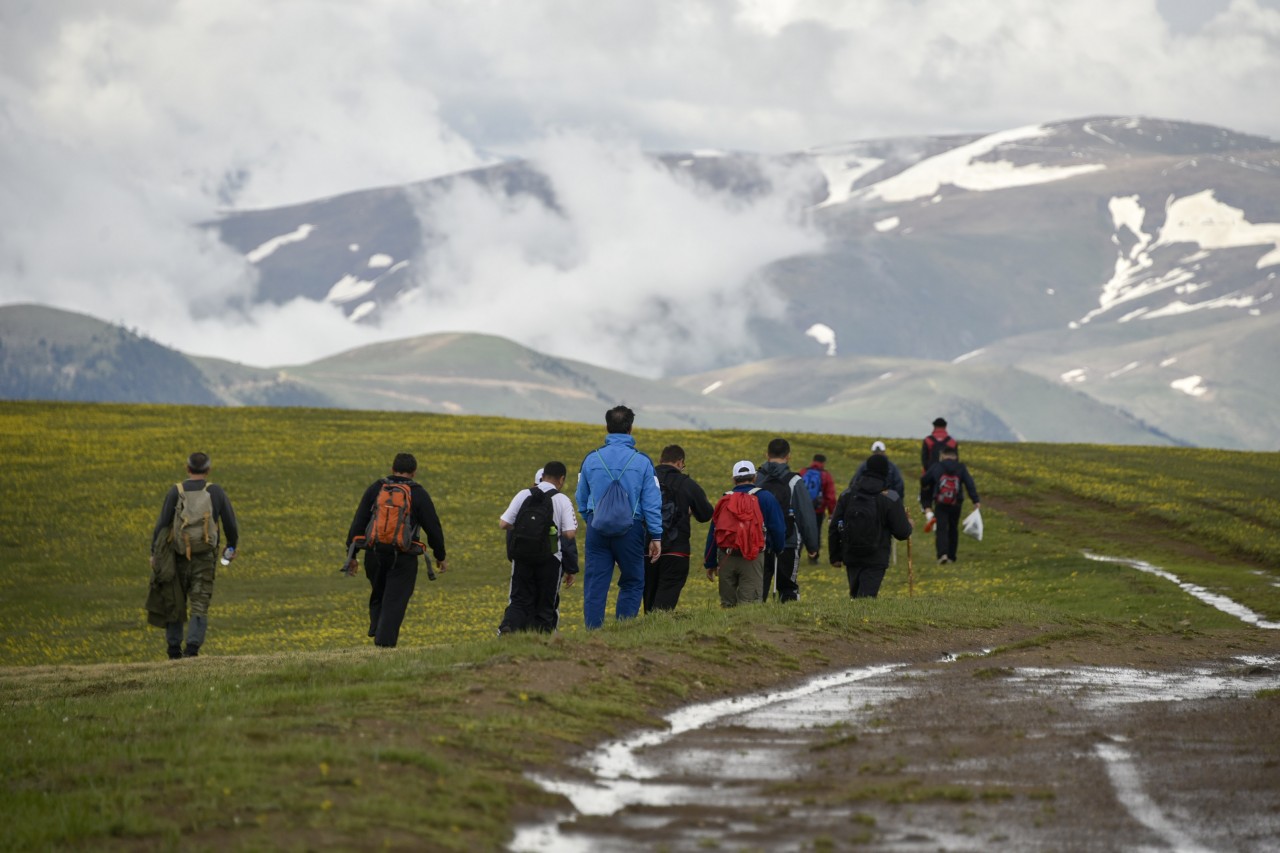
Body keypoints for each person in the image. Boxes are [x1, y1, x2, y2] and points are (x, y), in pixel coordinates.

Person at [344, 453, 448, 648]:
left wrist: (351, 555)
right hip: (403, 557)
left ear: (392, 469)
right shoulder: (418, 493)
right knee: (395, 601)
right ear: (414, 473)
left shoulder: (376, 488)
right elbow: (433, 528)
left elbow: (358, 522)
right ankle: (383, 644)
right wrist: (440, 556)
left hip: (373, 554)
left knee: (379, 591)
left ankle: (377, 624)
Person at [575, 405, 663, 629]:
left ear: (607, 427)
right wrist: (656, 535)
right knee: (633, 581)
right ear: (630, 428)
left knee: (595, 584)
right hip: (630, 529)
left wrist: (592, 519)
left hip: (598, 528)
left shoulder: (591, 460)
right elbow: (652, 502)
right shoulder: (642, 461)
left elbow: (581, 498)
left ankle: (593, 633)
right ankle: (622, 632)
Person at [148, 452, 239, 659]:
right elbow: (231, 525)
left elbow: (162, 525)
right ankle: (192, 650)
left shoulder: (176, 491)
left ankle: (173, 650)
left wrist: (154, 554)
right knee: (200, 602)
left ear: (187, 468)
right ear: (208, 470)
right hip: (205, 558)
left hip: (177, 557)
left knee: (175, 600)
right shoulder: (215, 491)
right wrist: (230, 548)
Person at [498, 461, 578, 634]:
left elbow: (504, 523)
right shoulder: (562, 499)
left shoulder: (523, 494)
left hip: (522, 557)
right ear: (561, 479)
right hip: (550, 559)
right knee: (545, 604)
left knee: (519, 601)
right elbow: (570, 533)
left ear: (542, 477)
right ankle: (541, 639)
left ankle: (508, 627)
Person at [703, 460, 786, 607]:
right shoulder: (766, 497)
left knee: (728, 604)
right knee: (750, 604)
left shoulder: (725, 499)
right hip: (753, 557)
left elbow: (714, 532)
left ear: (734, 479)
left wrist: (710, 562)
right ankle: (747, 630)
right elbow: (778, 528)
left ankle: (725, 629)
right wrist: (778, 548)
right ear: (754, 477)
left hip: (726, 556)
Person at [829, 454, 913, 598]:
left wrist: (835, 556)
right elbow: (902, 533)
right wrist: (909, 524)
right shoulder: (890, 497)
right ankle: (860, 619)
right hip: (876, 557)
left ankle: (853, 619)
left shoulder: (847, 494)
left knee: (855, 596)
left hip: (851, 554)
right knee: (866, 598)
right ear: (886, 472)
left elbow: (834, 526)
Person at [647, 445, 715, 613]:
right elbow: (706, 514)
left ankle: (647, 630)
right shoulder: (686, 483)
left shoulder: (646, 480)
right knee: (666, 599)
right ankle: (658, 630)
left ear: (660, 460)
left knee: (648, 597)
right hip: (676, 550)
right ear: (680, 462)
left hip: (646, 549)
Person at [755, 437, 821, 602]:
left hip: (759, 542)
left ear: (767, 454)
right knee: (788, 588)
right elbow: (806, 515)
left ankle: (753, 623)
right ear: (788, 456)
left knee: (757, 589)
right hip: (788, 542)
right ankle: (789, 622)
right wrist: (812, 545)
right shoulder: (794, 481)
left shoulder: (757, 479)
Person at [920, 447, 980, 565]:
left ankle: (942, 554)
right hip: (956, 503)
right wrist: (975, 500)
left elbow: (925, 480)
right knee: (953, 528)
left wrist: (927, 489)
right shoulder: (961, 467)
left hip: (940, 502)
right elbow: (969, 483)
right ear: (955, 456)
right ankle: (952, 556)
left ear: (943, 455)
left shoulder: (937, 466)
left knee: (941, 528)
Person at [801, 454, 838, 564]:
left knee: (801, 532)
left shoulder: (803, 471)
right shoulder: (825, 475)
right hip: (818, 510)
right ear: (823, 462)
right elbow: (830, 497)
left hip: (803, 508)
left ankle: (795, 554)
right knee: (815, 533)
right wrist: (832, 513)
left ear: (813, 461)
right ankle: (813, 557)